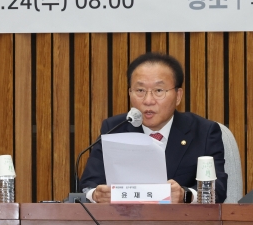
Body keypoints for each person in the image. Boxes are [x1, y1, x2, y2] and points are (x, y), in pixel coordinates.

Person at [80, 52, 228, 203]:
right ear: (130, 93)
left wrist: (185, 195)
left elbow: (218, 189)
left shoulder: (203, 131)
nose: (148, 100)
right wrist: (96, 195)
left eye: (158, 91)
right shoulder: (114, 129)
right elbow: (87, 185)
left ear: (178, 96)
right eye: (140, 91)